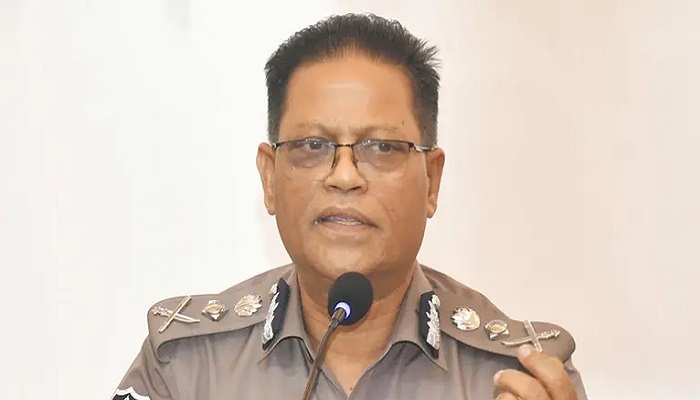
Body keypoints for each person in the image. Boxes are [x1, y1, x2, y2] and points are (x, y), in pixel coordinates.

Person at [112, 13, 588, 400]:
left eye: (382, 148)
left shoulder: (518, 378)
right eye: (312, 145)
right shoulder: (187, 367)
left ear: (432, 181)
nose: (344, 176)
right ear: (269, 177)